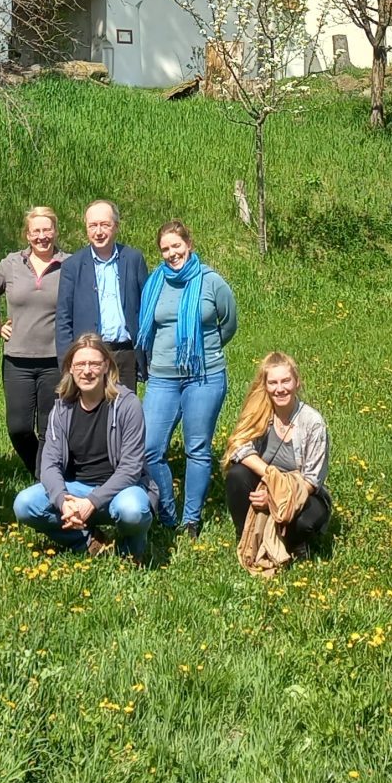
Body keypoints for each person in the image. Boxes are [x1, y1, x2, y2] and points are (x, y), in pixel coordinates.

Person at [135, 218, 237, 537]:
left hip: (204, 376)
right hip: (162, 377)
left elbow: (228, 323)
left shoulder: (211, 281)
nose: (171, 253)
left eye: (176, 246)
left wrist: (203, 350)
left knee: (197, 448)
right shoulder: (155, 283)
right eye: (165, 249)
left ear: (189, 245)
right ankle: (167, 514)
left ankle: (191, 519)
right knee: (149, 448)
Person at [12, 334, 154, 559]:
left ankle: (131, 552)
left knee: (132, 510)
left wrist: (92, 501)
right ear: (70, 368)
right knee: (25, 504)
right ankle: (87, 541)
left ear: (106, 366)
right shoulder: (61, 408)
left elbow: (131, 468)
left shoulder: (128, 405)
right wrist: (63, 501)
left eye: (94, 364)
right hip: (75, 490)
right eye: (80, 364)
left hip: (120, 490)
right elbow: (49, 464)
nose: (87, 371)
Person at [222, 350, 331, 561]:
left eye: (285, 381)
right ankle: (246, 538)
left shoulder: (313, 422)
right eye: (273, 383)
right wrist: (270, 476)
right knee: (237, 474)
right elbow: (238, 447)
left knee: (305, 522)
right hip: (265, 485)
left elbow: (311, 480)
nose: (280, 389)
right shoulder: (259, 413)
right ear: (265, 386)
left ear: (297, 382)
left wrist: (275, 497)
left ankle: (296, 546)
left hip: (300, 492)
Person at [0, 205, 65, 477]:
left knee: (48, 428)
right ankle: (42, 473)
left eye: (47, 230)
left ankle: (47, 482)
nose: (42, 236)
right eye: (36, 231)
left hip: (55, 360)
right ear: (27, 234)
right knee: (18, 427)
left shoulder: (69, 264)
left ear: (55, 231)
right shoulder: (11, 264)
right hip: (17, 359)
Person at [54, 198, 147, 389]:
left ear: (116, 226)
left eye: (105, 225)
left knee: (124, 406)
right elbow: (63, 318)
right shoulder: (72, 266)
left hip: (126, 353)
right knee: (91, 406)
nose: (98, 232)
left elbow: (146, 307)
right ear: (86, 228)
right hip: (89, 355)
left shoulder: (133, 259)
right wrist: (66, 362)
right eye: (93, 225)